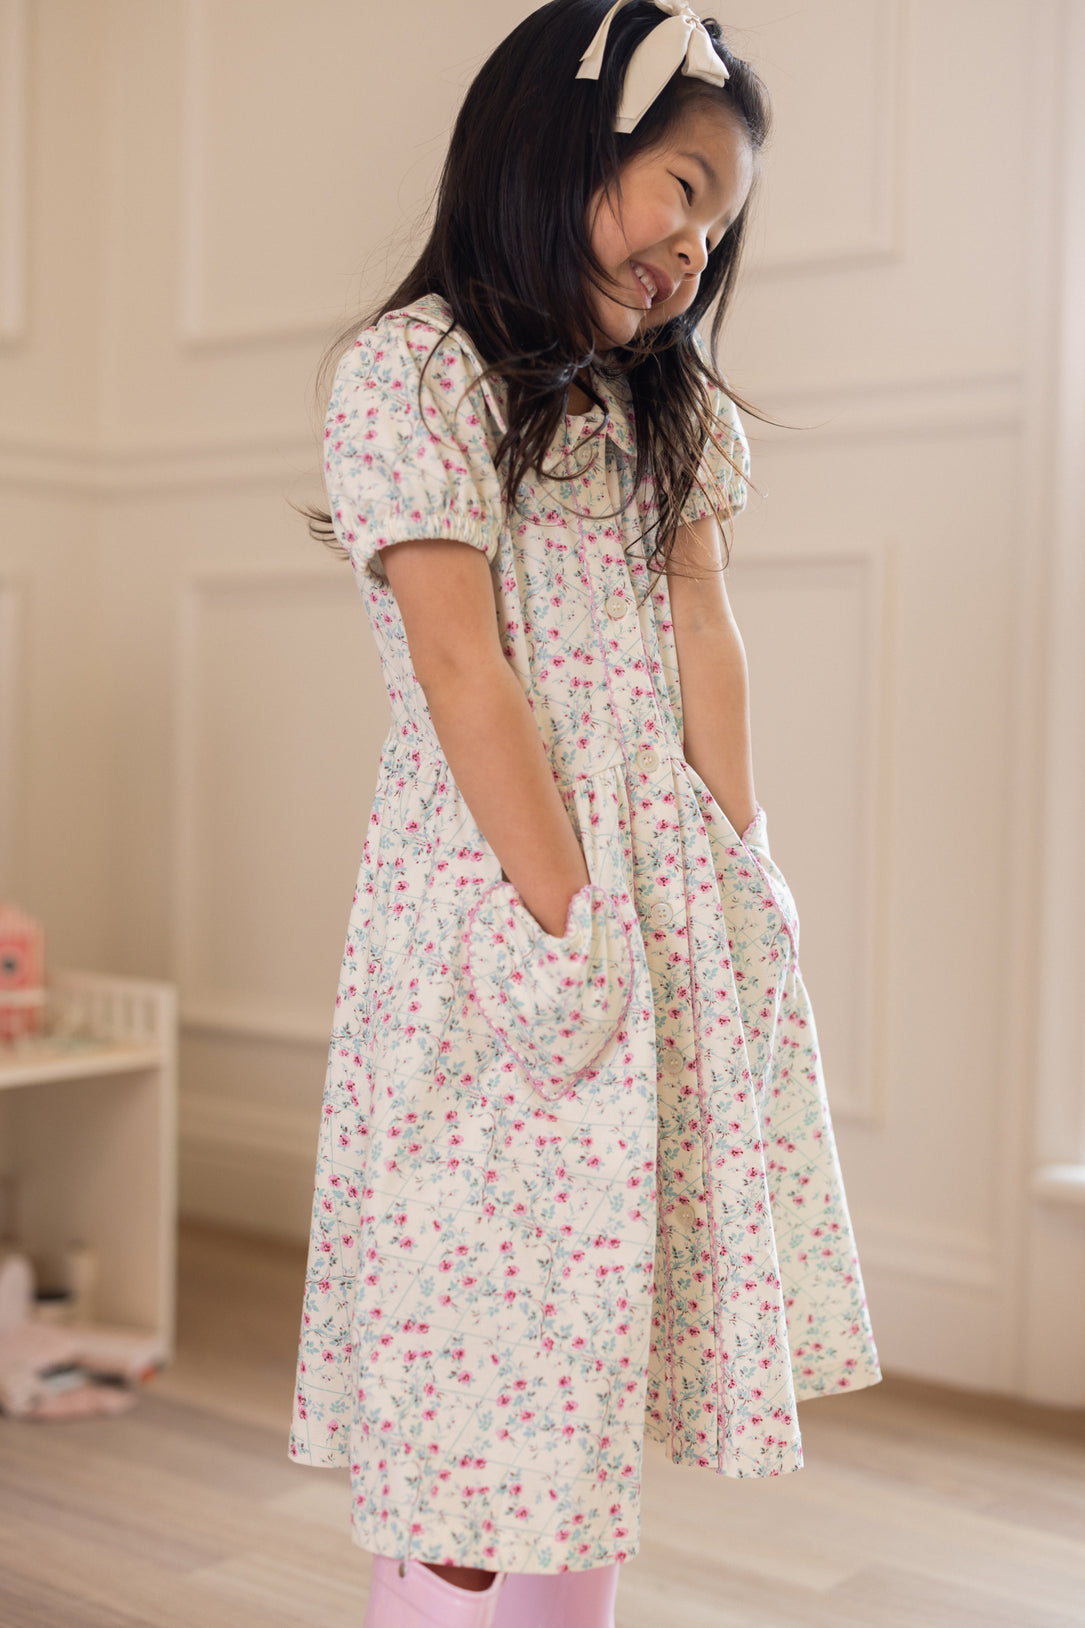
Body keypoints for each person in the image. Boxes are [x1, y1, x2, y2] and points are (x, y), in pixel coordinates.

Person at [287, 2, 882, 1624]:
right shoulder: (412, 374)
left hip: (655, 881)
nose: (695, 245)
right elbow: (461, 667)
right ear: (561, 150)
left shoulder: (661, 411)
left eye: (722, 222)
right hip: (504, 889)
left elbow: (706, 634)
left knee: (593, 1310)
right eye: (680, 188)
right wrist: (562, 916)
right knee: (482, 1317)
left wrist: (738, 857)